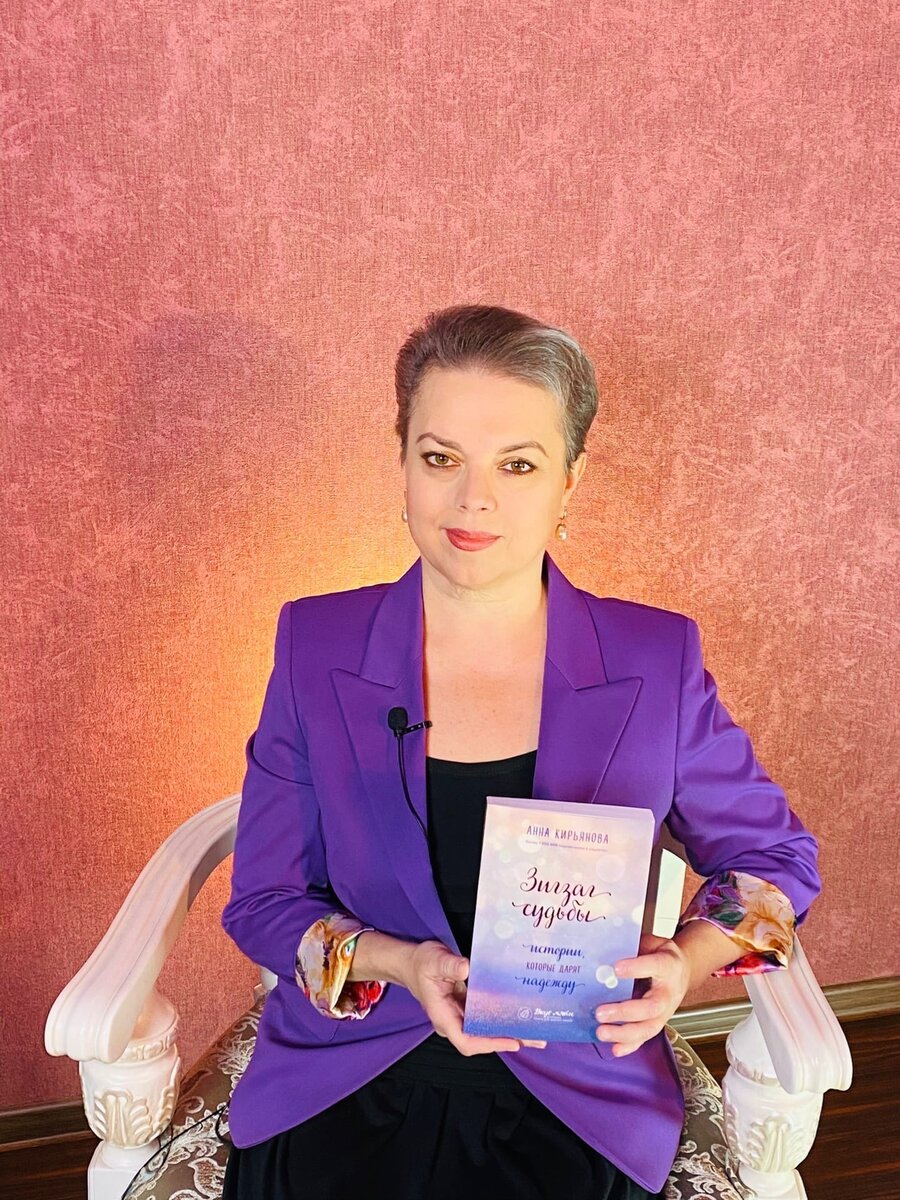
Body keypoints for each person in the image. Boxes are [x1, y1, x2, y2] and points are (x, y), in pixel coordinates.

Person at [220, 304, 820, 1199]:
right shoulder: (315, 644)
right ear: (402, 462)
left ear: (570, 480)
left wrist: (686, 960)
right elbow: (264, 901)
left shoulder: (656, 659)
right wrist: (398, 962)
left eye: (519, 464)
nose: (474, 499)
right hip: (349, 1071)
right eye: (441, 458)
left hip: (580, 1088)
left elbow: (777, 862)